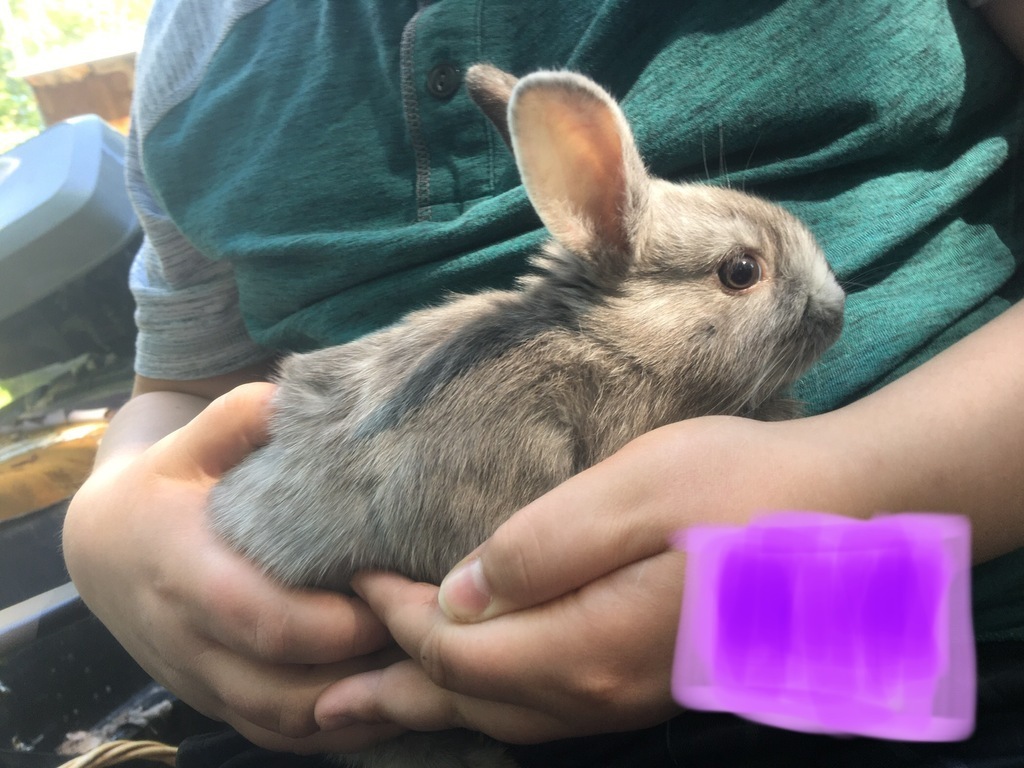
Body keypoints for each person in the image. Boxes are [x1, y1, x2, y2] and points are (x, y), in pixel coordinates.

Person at [63, 0, 1024, 765]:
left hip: (923, 598)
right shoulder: (198, 35)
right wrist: (108, 522)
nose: (830, 306)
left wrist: (837, 495)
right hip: (357, 695)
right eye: (746, 274)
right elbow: (185, 389)